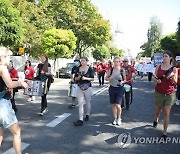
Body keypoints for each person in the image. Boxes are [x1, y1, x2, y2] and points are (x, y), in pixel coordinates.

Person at [0, 46, 28, 154]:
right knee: (17, 132)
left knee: (0, 133)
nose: (9, 59)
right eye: (8, 57)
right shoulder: (2, 68)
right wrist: (21, 82)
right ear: (2, 57)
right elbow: (10, 84)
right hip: (2, 104)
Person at [153, 51, 178, 140]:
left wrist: (171, 78)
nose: (164, 58)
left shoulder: (174, 69)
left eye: (166, 56)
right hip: (159, 92)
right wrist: (157, 81)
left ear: (170, 58)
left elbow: (175, 82)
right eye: (163, 56)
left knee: (167, 112)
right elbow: (154, 77)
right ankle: (156, 119)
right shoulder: (158, 67)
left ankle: (164, 132)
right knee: (158, 111)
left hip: (169, 93)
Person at [73, 57, 94, 126]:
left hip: (88, 87)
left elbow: (92, 78)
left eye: (83, 60)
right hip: (79, 87)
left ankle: (87, 114)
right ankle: (80, 119)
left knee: (88, 102)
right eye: (81, 60)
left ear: (87, 61)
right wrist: (78, 78)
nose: (82, 62)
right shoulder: (78, 68)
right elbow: (74, 78)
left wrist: (86, 78)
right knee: (80, 104)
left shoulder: (90, 69)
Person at [105, 56, 126, 125]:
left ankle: (119, 118)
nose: (116, 63)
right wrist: (110, 78)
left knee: (118, 104)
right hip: (112, 88)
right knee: (113, 104)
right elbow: (106, 78)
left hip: (119, 88)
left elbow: (125, 79)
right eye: (115, 61)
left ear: (120, 62)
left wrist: (122, 82)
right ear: (113, 62)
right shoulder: (111, 70)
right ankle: (115, 118)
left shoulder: (122, 70)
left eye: (118, 61)